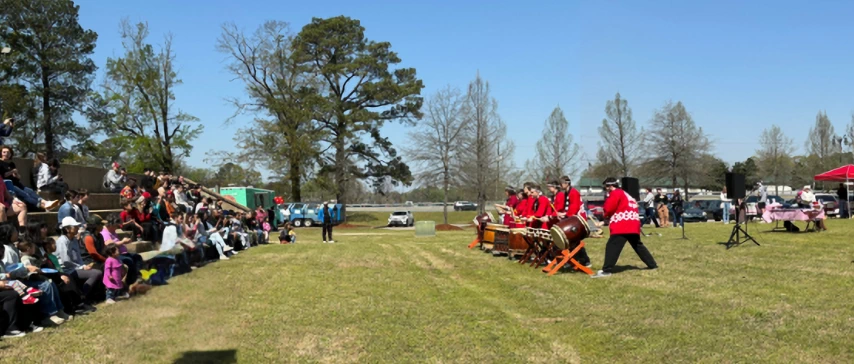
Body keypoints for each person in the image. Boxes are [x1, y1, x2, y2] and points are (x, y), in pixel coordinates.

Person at [591, 178, 658, 278]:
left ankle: (606, 270)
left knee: (612, 246)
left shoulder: (615, 193)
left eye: (606, 187)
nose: (606, 190)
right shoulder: (626, 194)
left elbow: (609, 208)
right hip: (633, 223)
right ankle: (652, 265)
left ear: (610, 186)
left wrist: (605, 217)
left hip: (622, 224)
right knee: (638, 246)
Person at [54, 217, 103, 305]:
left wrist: (83, 265)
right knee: (96, 273)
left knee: (97, 270)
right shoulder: (62, 241)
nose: (77, 228)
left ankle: (92, 296)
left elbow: (78, 257)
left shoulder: (74, 240)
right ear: (67, 229)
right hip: (67, 270)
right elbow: (65, 261)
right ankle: (83, 296)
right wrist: (82, 267)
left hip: (76, 267)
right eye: (75, 226)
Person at [0, 146, 58, 211]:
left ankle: (45, 202)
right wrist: (12, 171)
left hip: (18, 184)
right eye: (4, 152)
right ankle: (42, 205)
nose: (6, 154)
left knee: (31, 191)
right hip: (9, 185)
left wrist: (16, 174)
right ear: (1, 153)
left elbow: (18, 177)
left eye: (8, 152)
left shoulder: (11, 164)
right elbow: (3, 176)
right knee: (26, 195)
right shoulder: (0, 163)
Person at [556, 176, 592, 266]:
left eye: (561, 184)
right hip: (572, 217)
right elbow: (567, 207)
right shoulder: (566, 193)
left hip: (578, 218)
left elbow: (574, 207)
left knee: (575, 240)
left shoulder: (573, 192)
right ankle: (573, 260)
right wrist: (563, 214)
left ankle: (585, 260)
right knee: (572, 241)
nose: (560, 186)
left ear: (567, 183)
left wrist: (565, 215)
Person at [102, 214, 142, 287]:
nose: (117, 227)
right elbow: (108, 244)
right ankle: (129, 282)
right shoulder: (105, 232)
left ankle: (137, 278)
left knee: (137, 257)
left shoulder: (112, 231)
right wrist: (123, 242)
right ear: (111, 224)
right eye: (116, 225)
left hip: (122, 253)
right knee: (129, 260)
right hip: (114, 255)